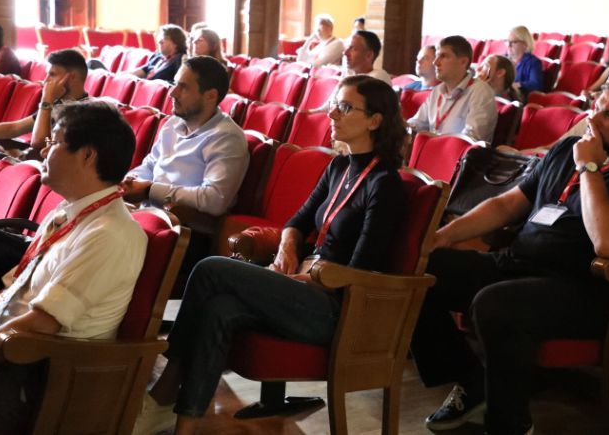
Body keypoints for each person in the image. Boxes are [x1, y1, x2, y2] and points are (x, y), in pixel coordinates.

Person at [133, 75, 406, 435]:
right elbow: (297, 221)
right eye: (333, 105)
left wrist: (294, 278)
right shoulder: (339, 166)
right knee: (219, 308)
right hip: (305, 286)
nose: (332, 114)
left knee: (211, 268)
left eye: (344, 107)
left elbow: (361, 270)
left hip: (336, 307)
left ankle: (168, 384)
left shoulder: (384, 183)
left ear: (375, 120)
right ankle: (183, 423)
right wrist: (287, 246)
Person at [411, 82, 609, 435]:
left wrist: (589, 168)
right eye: (596, 109)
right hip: (519, 266)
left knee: (495, 303)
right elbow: (507, 204)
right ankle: (471, 380)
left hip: (586, 288)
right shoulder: (566, 150)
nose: (594, 121)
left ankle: (509, 424)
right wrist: (443, 236)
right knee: (420, 269)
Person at [0, 102, 147, 431]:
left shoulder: (109, 234)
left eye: (53, 142)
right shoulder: (67, 213)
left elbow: (39, 326)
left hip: (34, 385)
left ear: (87, 155)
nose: (43, 149)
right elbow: (10, 294)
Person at [122, 55, 248, 273]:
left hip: (186, 230)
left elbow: (214, 199)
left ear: (210, 96)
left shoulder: (226, 137)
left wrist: (150, 190)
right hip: (149, 215)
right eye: (174, 84)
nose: (172, 93)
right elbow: (150, 165)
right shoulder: (173, 124)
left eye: (183, 87)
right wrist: (128, 181)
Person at [0, 49, 89, 150]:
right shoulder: (60, 103)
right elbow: (14, 128)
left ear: (72, 77)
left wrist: (46, 101)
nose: (46, 80)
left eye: (52, 74)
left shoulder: (85, 113)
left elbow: (40, 142)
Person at [407, 35, 497, 142]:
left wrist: (435, 139)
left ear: (463, 62)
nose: (435, 62)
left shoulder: (480, 91)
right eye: (436, 56)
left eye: (443, 56)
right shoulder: (437, 91)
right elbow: (417, 123)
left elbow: (472, 139)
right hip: (433, 149)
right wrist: (403, 126)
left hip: (458, 152)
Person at [507, 26, 544, 97]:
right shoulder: (504, 59)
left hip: (520, 97)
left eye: (513, 42)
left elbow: (536, 84)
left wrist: (518, 85)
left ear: (525, 44)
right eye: (507, 41)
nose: (509, 45)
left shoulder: (533, 62)